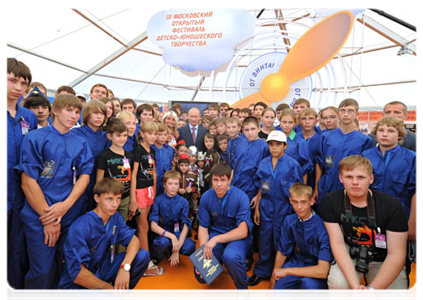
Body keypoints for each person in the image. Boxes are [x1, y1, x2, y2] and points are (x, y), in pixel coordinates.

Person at [16, 94, 94, 300]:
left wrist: (65, 207)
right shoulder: (34, 138)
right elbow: (28, 181)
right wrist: (49, 217)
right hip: (39, 215)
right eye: (69, 110)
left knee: (65, 266)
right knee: (42, 270)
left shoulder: (81, 142)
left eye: (77, 111)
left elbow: (85, 176)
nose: (74, 115)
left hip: (70, 213)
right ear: (55, 110)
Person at [321, 156, 409, 300]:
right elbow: (337, 243)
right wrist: (355, 288)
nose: (355, 182)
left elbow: (397, 254)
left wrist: (373, 291)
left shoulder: (392, 206)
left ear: (371, 179)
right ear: (340, 178)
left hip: (383, 257)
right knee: (339, 285)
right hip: (351, 252)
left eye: (361, 177)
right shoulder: (331, 201)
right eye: (349, 177)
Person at [58, 178, 150, 299]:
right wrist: (110, 289)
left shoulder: (114, 217)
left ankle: (119, 292)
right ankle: (112, 294)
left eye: (118, 199)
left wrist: (124, 267)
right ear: (97, 198)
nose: (115, 204)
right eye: (109, 199)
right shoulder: (80, 227)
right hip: (77, 283)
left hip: (101, 268)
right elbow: (78, 275)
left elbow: (134, 240)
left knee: (143, 256)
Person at [362, 116, 420, 289]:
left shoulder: (412, 158)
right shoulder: (365, 156)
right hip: (369, 217)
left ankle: (399, 291)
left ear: (400, 134)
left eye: (391, 130)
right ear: (375, 133)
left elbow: (416, 191)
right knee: (369, 258)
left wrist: (413, 222)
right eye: (381, 130)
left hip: (400, 217)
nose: (385, 134)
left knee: (400, 260)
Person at [249, 131, 303, 286]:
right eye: (271, 144)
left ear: (285, 145)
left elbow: (299, 190)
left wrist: (297, 212)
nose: (274, 147)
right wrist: (258, 209)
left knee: (283, 240)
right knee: (264, 240)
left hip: (285, 209)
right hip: (266, 208)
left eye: (278, 144)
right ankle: (262, 271)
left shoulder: (293, 165)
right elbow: (260, 188)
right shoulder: (264, 163)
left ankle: (281, 272)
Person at [194, 163, 253, 300]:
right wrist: (203, 254)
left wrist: (214, 240)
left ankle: (243, 291)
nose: (219, 184)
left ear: (229, 179)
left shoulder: (241, 197)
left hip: (237, 237)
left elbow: (243, 231)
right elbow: (203, 227)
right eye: (215, 180)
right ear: (211, 179)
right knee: (201, 275)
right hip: (217, 233)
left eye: (222, 180)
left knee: (231, 256)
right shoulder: (206, 197)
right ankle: (217, 262)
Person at [5, 57, 38, 300]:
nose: (18, 87)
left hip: (21, 198)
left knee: (17, 257)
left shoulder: (29, 117)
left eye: (23, 83)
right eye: (12, 80)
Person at [267, 183, 332, 300]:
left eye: (303, 202)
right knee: (279, 292)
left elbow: (323, 271)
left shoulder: (322, 227)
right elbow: (282, 252)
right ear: (290, 201)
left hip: (316, 267)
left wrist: (287, 271)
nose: (299, 207)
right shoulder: (289, 221)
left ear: (312, 201)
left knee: (308, 286)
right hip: (298, 262)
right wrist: (273, 279)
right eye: (295, 202)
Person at [314, 99, 373, 213]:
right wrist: (316, 188)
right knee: (325, 215)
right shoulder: (325, 137)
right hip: (327, 184)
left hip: (352, 186)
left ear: (357, 114)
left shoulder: (364, 140)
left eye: (350, 111)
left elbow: (366, 169)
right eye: (343, 111)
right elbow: (319, 163)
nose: (346, 114)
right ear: (338, 114)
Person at [130, 122, 163, 276]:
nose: (153, 137)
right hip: (139, 191)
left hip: (150, 191)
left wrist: (154, 191)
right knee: (143, 227)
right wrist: (133, 199)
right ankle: (146, 265)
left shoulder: (153, 151)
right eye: (150, 133)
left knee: (144, 227)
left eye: (155, 134)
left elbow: (153, 172)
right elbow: (134, 174)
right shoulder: (138, 150)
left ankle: (141, 260)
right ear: (142, 134)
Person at [149, 170, 196, 266]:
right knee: (161, 243)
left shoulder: (183, 202)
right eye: (170, 183)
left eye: (176, 184)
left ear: (179, 185)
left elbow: (186, 225)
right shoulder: (158, 200)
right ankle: (158, 256)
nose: (173, 187)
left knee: (189, 247)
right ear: (164, 184)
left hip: (178, 231)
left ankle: (173, 249)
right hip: (163, 232)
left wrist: (177, 249)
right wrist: (172, 237)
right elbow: (153, 226)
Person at [71, 100, 109, 213]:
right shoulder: (75, 133)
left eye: (102, 114)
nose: (99, 116)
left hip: (98, 181)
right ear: (87, 114)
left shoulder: (105, 137)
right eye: (95, 113)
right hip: (78, 180)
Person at [96, 119, 134, 223]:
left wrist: (132, 199)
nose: (122, 139)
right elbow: (99, 181)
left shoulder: (130, 156)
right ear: (110, 136)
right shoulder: (104, 155)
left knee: (121, 225)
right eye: (118, 135)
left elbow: (131, 178)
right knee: (105, 225)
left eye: (125, 135)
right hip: (108, 198)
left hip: (125, 198)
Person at [279, 109, 313, 183]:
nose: (287, 125)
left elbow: (304, 167)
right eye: (284, 122)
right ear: (280, 122)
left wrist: (303, 187)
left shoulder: (300, 142)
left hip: (293, 181)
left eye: (290, 122)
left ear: (295, 123)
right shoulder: (275, 139)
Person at [298, 108, 321, 190]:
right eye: (304, 119)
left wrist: (317, 188)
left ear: (316, 121)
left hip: (314, 178)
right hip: (296, 176)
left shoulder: (321, 138)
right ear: (299, 121)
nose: (307, 122)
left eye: (311, 119)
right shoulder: (294, 136)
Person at [152, 123, 173, 196]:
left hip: (163, 184)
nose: (163, 137)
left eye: (165, 134)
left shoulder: (167, 151)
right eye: (160, 134)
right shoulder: (150, 149)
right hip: (152, 183)